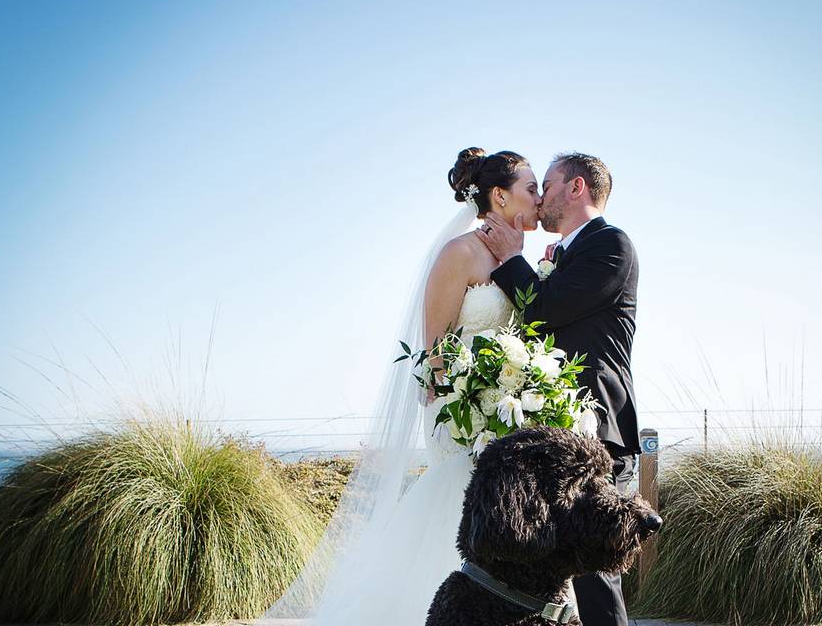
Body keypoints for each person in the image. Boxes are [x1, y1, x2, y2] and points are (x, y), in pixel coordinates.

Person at [262, 147, 539, 624]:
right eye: (531, 189)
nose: (539, 197)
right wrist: (469, 397)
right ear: (499, 196)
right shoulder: (461, 253)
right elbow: (434, 353)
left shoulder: (519, 258)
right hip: (462, 413)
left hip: (505, 414)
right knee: (458, 514)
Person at [477, 151, 641, 626]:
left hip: (596, 428)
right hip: (555, 430)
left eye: (546, 185)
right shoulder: (567, 254)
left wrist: (512, 259)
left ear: (576, 188)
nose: (540, 196)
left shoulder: (611, 245)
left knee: (594, 567)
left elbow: (545, 313)